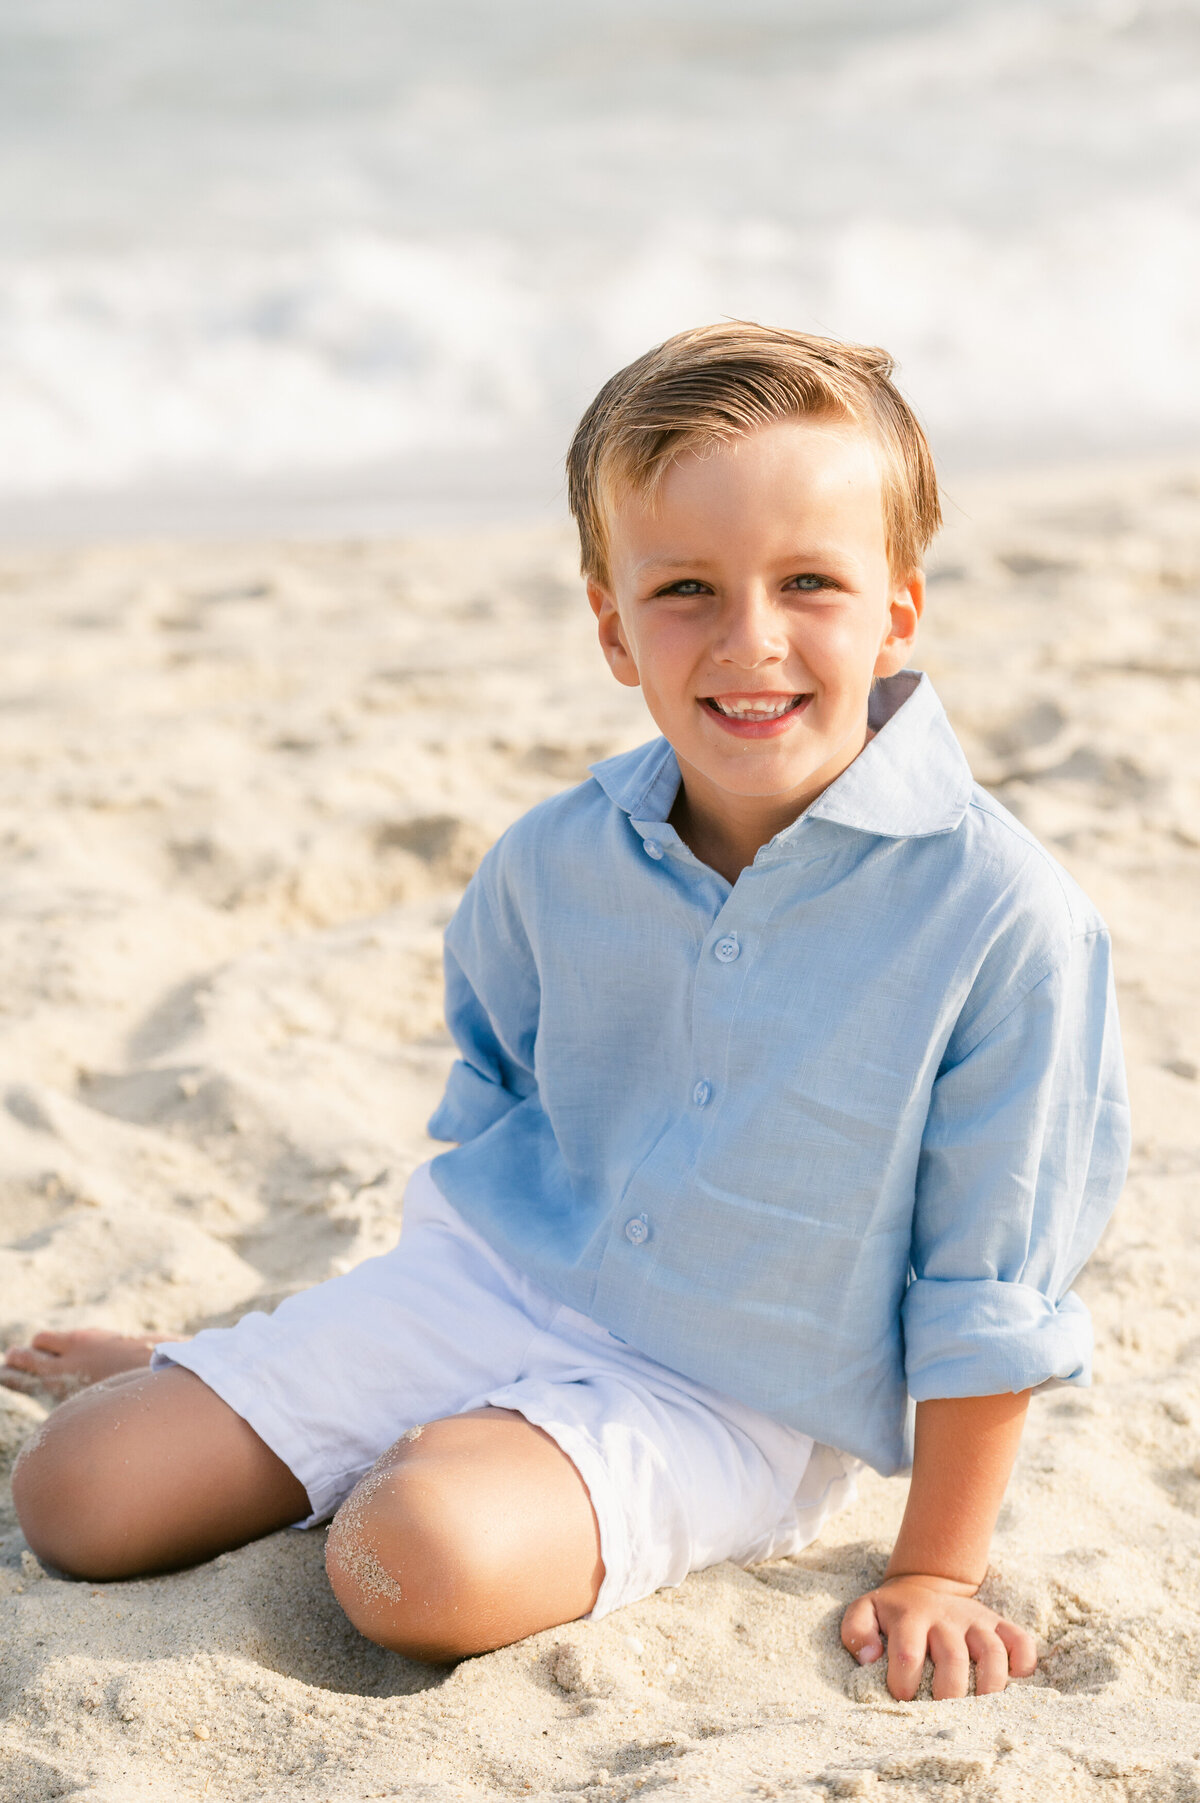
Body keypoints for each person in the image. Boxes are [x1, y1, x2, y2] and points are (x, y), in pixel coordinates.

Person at [5, 323, 1129, 1702]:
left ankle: (411, 1446)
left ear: (898, 609)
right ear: (610, 624)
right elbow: (501, 1103)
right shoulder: (555, 858)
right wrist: (344, 1345)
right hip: (489, 1283)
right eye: (688, 590)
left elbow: (989, 1287)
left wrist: (938, 1569)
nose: (750, 641)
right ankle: (290, 1389)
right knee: (76, 1495)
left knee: (409, 1566)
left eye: (811, 584)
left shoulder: (1002, 916)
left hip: (731, 1393)